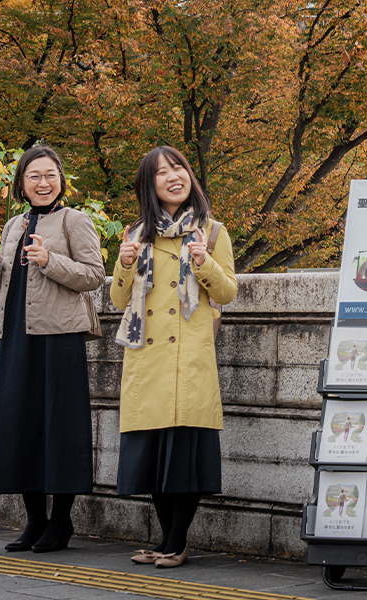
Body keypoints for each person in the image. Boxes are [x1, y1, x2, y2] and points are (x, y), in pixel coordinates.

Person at [110, 146, 237, 569]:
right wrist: (125, 264)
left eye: (178, 168)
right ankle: (169, 539)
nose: (173, 177)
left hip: (189, 360)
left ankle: (176, 541)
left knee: (184, 457)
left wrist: (203, 263)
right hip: (147, 361)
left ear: (189, 176)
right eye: (161, 173)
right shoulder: (135, 233)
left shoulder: (212, 232)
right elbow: (118, 299)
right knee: (153, 459)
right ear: (150, 185)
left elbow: (227, 293)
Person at [0, 145, 105, 553]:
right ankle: (35, 520)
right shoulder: (13, 224)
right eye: (34, 176)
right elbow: (1, 290)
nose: (43, 182)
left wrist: (50, 260)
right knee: (19, 425)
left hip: (59, 338)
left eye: (50, 174)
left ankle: (62, 522)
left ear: (61, 180)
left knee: (61, 428)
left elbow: (94, 276)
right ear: (21, 183)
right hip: (16, 336)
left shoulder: (75, 220)